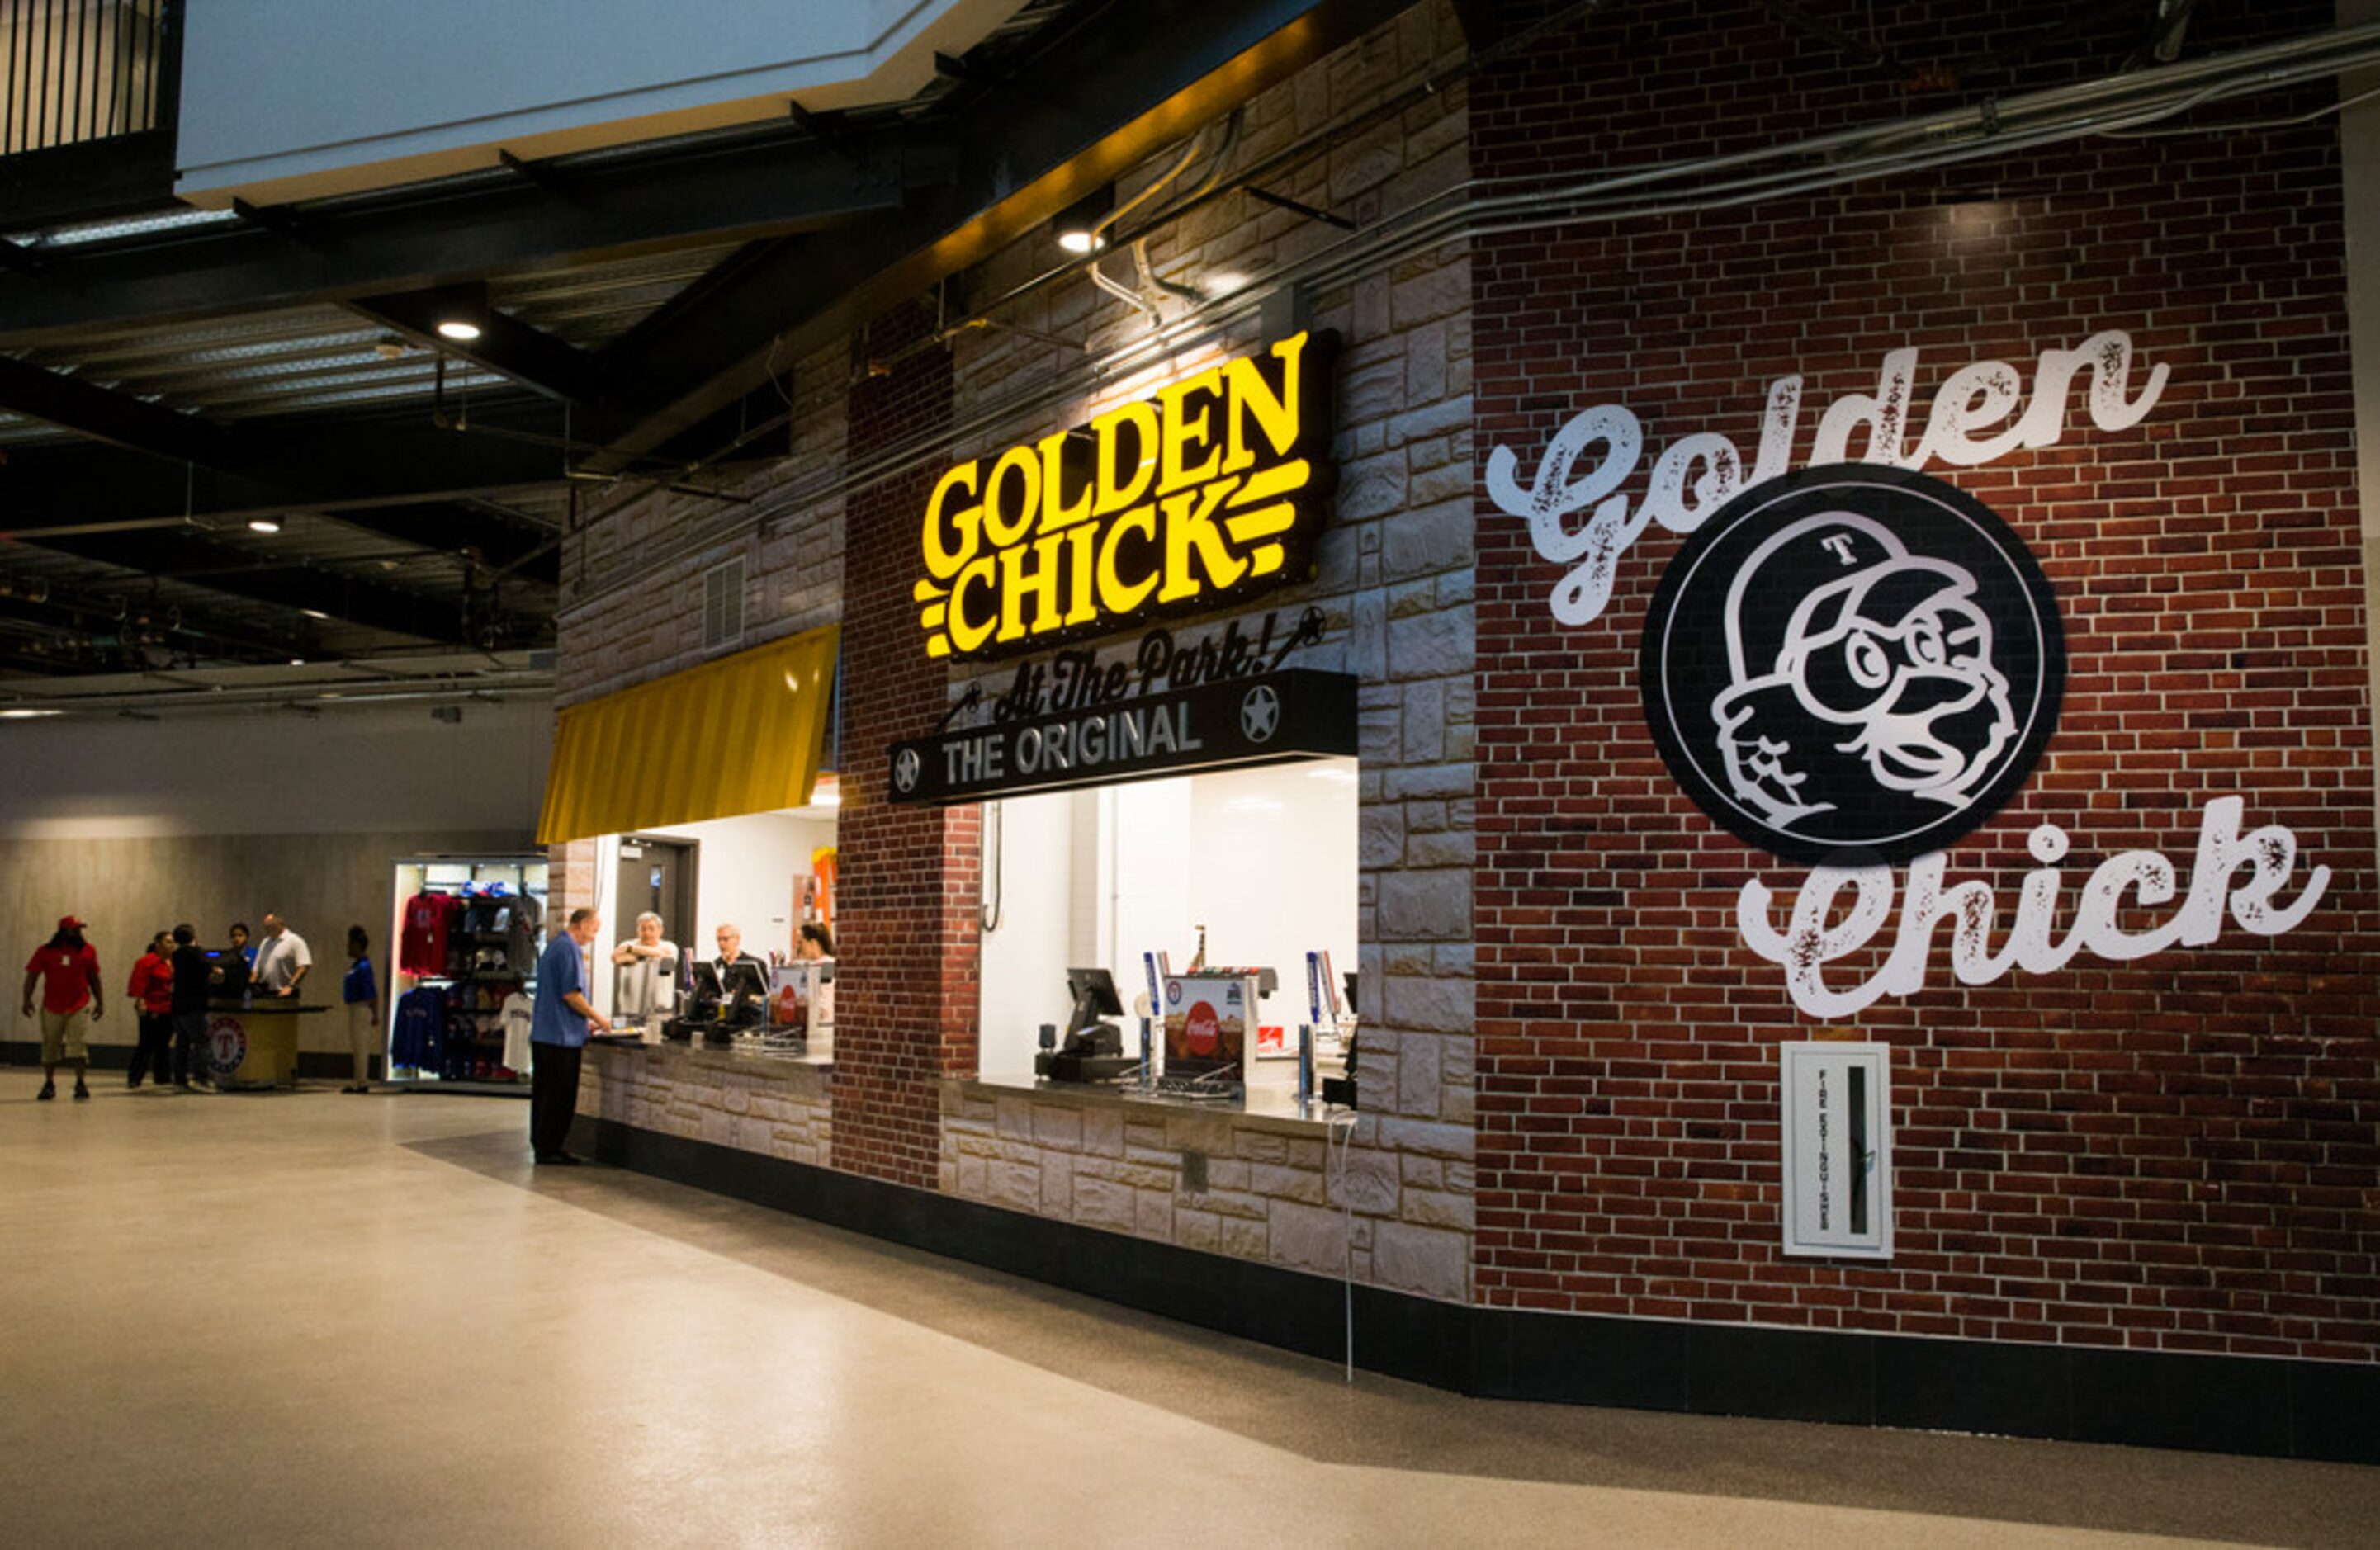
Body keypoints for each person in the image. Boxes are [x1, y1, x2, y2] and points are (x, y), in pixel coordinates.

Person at [528, 907, 610, 1165]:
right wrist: (599, 1019)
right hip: (560, 1038)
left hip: (546, 1034)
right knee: (559, 1096)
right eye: (595, 930)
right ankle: (550, 1148)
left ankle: (543, 1145)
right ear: (583, 924)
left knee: (544, 1094)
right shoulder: (569, 949)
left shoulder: (555, 946)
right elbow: (571, 995)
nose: (594, 937)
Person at [21, 914, 102, 1101]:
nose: (79, 932)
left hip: (79, 1005)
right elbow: (32, 976)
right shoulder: (45, 952)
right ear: (64, 931)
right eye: (75, 929)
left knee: (79, 1045)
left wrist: (100, 1001)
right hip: (52, 1005)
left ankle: (80, 1083)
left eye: (79, 929)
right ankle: (49, 1083)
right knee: (50, 1045)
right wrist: (27, 999)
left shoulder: (88, 951)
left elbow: (94, 978)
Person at [126, 929, 177, 1089]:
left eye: (172, 942)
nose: (171, 945)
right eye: (168, 942)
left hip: (169, 1007)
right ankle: (135, 1077)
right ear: (158, 944)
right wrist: (140, 1001)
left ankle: (162, 1077)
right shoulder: (147, 962)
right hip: (152, 1006)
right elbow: (139, 983)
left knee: (163, 1044)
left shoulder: (173, 963)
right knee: (146, 1043)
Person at [608, 912, 679, 1024]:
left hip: (660, 1011)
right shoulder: (627, 944)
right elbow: (616, 958)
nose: (647, 933)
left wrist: (632, 950)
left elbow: (662, 954)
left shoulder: (669, 946)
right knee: (623, 1037)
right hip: (628, 1010)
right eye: (643, 929)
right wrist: (640, 952)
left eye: (651, 929)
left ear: (660, 931)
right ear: (638, 931)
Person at [168, 924, 213, 1090]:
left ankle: (180, 1080)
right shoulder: (197, 952)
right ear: (193, 935)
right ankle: (201, 1079)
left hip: (178, 1006)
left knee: (182, 1043)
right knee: (202, 1041)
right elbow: (208, 969)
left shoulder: (177, 955)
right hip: (194, 1005)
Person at [341, 925, 379, 1094]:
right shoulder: (357, 965)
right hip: (355, 1007)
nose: (347, 948)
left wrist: (375, 1013)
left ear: (357, 945)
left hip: (362, 1007)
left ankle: (362, 1081)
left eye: (350, 944)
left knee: (361, 1045)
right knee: (357, 1045)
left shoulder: (364, 967)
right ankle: (358, 1079)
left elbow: (372, 992)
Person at [251, 912, 312, 999]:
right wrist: (250, 988)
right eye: (266, 926)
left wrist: (290, 986)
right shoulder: (265, 942)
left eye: (270, 925)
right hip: (264, 992)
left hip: (285, 992)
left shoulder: (295, 941)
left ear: (280, 923)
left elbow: (304, 966)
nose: (267, 928)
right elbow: (256, 969)